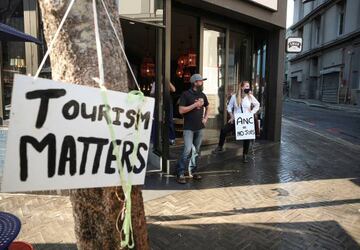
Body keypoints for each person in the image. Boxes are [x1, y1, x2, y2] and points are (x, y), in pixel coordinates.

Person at [212, 81, 260, 163]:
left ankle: (245, 155)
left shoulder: (250, 97)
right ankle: (220, 146)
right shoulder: (234, 97)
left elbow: (257, 104)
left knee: (247, 138)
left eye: (248, 86)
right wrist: (231, 116)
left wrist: (251, 113)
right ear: (242, 87)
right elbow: (229, 107)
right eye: (246, 86)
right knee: (224, 130)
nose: (248, 88)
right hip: (236, 119)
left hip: (245, 120)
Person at [176, 74, 209, 184]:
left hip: (200, 127)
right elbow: (181, 110)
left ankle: (193, 171)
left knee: (196, 151)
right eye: (200, 81)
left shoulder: (203, 95)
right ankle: (180, 172)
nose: (202, 83)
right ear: (195, 83)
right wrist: (195, 105)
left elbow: (208, 106)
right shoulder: (186, 94)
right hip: (189, 128)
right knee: (187, 150)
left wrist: (206, 118)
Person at [150, 81, 177, 145]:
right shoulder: (155, 82)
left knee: (169, 120)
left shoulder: (167, 82)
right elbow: (151, 93)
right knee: (155, 120)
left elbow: (174, 90)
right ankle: (154, 139)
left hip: (167, 102)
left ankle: (171, 138)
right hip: (158, 102)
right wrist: (158, 92)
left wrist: (168, 82)